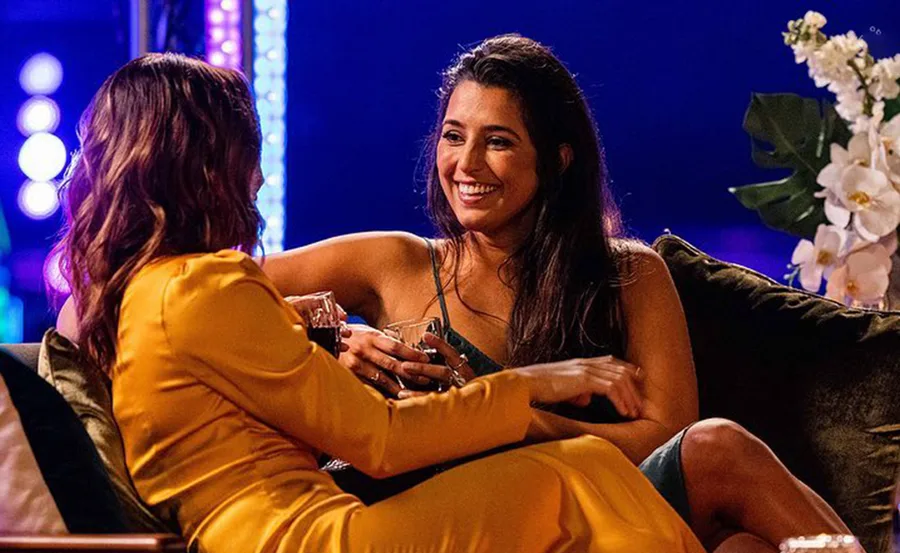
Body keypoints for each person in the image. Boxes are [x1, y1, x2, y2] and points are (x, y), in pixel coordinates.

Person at [53, 52, 707, 553]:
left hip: (291, 526)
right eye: (244, 148)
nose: (258, 173)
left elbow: (245, 346)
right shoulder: (207, 287)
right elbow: (382, 441)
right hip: (305, 536)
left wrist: (326, 334)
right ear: (205, 162)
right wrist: (537, 383)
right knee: (578, 478)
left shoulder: (157, 288)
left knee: (596, 474)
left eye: (499, 140)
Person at [259, 35, 855, 553]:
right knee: (720, 450)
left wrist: (501, 414)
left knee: (743, 542)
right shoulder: (391, 262)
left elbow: (662, 437)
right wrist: (335, 338)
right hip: (448, 513)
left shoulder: (626, 274)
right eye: (452, 135)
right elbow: (205, 295)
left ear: (558, 159)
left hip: (599, 507)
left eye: (497, 141)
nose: (466, 163)